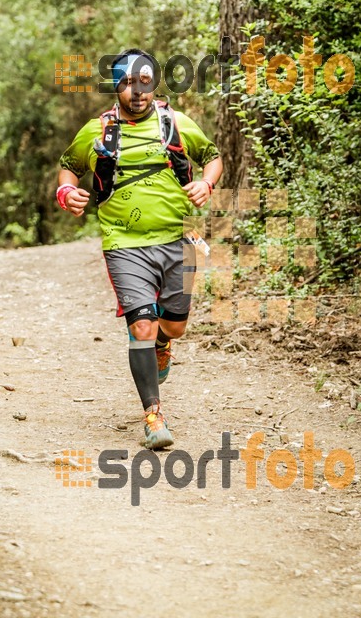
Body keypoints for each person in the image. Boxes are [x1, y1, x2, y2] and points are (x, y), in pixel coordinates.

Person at [57, 49, 223, 449]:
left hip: (178, 239)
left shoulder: (176, 124)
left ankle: (165, 345)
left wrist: (206, 183)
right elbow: (69, 166)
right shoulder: (96, 132)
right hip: (123, 243)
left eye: (143, 82)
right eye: (127, 83)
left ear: (154, 83)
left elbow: (212, 157)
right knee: (142, 326)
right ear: (116, 86)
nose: (136, 91)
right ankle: (153, 415)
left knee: (174, 326)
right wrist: (66, 192)